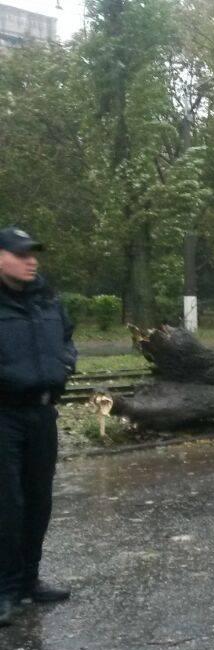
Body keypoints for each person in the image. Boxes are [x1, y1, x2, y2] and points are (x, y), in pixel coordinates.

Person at [0, 226, 76, 628]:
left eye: (34, 253)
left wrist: (66, 362)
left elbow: (66, 337)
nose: (32, 260)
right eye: (21, 253)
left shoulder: (46, 298)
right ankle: (5, 589)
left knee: (37, 500)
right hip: (4, 415)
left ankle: (29, 580)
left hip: (43, 412)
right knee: (7, 504)